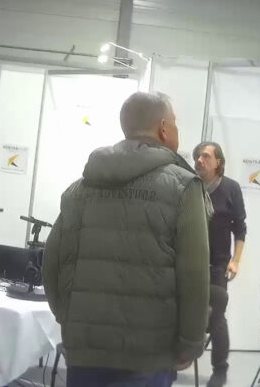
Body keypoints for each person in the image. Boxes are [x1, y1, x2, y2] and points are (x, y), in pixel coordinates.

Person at [43, 92, 210, 387]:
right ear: (163, 128)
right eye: (175, 123)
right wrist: (191, 342)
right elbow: (194, 274)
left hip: (85, 351)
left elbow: (52, 262)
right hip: (149, 353)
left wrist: (68, 318)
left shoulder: (80, 188)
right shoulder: (183, 188)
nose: (177, 129)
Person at [192, 141, 246, 387]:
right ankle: (173, 361)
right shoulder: (190, 185)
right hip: (189, 265)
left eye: (205, 156)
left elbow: (240, 228)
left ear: (218, 162)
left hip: (217, 266)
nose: (199, 160)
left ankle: (220, 369)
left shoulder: (231, 188)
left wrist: (236, 260)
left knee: (216, 316)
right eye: (197, 156)